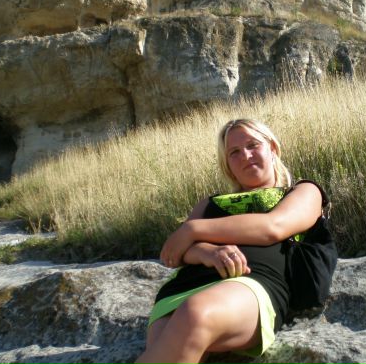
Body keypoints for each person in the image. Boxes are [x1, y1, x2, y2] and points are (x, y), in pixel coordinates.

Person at [135, 119, 328, 364]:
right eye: (234, 152)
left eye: (253, 145)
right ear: (227, 165)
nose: (245, 155)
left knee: (195, 314)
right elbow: (173, 252)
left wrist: (193, 229)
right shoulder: (209, 204)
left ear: (272, 148)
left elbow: (272, 227)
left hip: (253, 283)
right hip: (181, 289)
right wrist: (206, 252)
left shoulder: (303, 192)